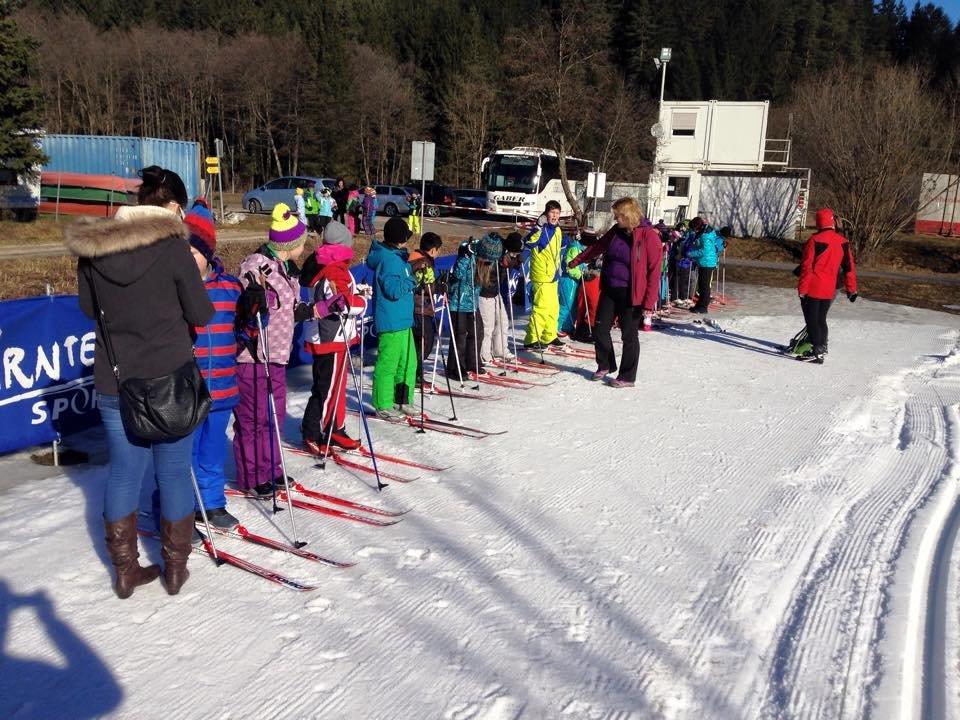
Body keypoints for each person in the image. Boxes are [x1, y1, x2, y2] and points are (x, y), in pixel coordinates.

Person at [65, 165, 214, 598]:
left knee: (124, 474)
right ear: (173, 207)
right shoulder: (173, 249)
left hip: (115, 380)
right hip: (171, 381)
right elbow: (201, 313)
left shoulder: (94, 249)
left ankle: (125, 571)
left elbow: (89, 309)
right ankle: (175, 569)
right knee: (173, 474)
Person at [234, 203, 312, 496]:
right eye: (302, 242)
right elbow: (245, 303)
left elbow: (292, 309)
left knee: (274, 416)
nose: (304, 247)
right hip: (254, 355)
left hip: (277, 355)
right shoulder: (255, 266)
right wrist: (255, 300)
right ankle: (253, 476)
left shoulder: (286, 270)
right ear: (289, 244)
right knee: (253, 418)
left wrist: (319, 309)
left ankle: (271, 468)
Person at [184, 199, 243, 531]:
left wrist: (254, 311)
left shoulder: (230, 288)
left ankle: (212, 503)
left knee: (212, 448)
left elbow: (246, 331)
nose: (186, 258)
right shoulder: (174, 289)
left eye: (193, 252)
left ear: (208, 252)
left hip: (222, 385)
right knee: (184, 453)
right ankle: (179, 508)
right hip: (188, 391)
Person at [569, 196, 661, 388]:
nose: (615, 219)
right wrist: (578, 260)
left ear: (628, 215)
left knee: (629, 336)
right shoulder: (616, 231)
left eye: (618, 216)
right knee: (599, 328)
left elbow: (654, 271)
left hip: (631, 294)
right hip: (610, 288)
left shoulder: (648, 236)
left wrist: (648, 302)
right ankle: (605, 364)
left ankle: (627, 376)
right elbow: (598, 246)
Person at [299, 220, 368, 454]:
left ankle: (335, 428)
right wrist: (362, 301)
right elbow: (342, 303)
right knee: (326, 389)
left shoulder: (328, 263)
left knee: (335, 388)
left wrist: (358, 291)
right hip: (332, 337)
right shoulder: (334, 268)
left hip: (332, 336)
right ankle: (313, 433)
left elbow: (340, 294)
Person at [366, 216, 418, 421]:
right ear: (399, 239)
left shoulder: (398, 257)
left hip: (403, 320)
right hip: (391, 321)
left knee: (408, 363)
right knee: (388, 364)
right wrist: (412, 280)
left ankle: (402, 399)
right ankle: (383, 404)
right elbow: (393, 290)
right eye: (405, 237)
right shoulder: (388, 260)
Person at [796, 208, 858, 364]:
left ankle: (816, 352)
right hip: (829, 289)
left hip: (813, 287)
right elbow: (849, 268)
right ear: (832, 222)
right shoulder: (843, 242)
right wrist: (852, 289)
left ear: (818, 222)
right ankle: (822, 347)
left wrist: (802, 290)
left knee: (812, 321)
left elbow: (807, 267)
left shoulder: (814, 240)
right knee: (821, 319)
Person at [523, 200, 565, 350]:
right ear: (546, 213)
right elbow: (529, 242)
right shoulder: (541, 229)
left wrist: (575, 238)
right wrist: (538, 227)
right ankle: (531, 339)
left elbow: (561, 246)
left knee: (553, 308)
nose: (555, 216)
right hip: (542, 275)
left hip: (553, 275)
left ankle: (549, 336)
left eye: (557, 213)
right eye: (552, 212)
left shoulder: (557, 229)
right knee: (541, 308)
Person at [446, 237, 486, 379]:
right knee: (459, 337)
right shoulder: (464, 257)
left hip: (472, 303)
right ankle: (455, 368)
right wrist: (465, 256)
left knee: (477, 332)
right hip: (459, 303)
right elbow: (457, 273)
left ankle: (472, 362)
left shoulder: (479, 257)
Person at [408, 232, 443, 384]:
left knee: (420, 342)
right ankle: (414, 374)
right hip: (420, 308)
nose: (439, 253)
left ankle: (415, 374)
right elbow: (425, 286)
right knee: (425, 342)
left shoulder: (416, 258)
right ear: (433, 249)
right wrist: (439, 286)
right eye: (438, 249)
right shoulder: (423, 262)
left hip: (418, 307)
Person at [477, 234, 512, 364]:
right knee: (488, 327)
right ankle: (484, 354)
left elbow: (500, 278)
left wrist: (506, 265)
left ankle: (500, 349)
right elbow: (487, 280)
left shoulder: (501, 255)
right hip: (485, 296)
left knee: (503, 321)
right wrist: (502, 267)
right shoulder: (485, 260)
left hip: (496, 294)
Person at [686, 217, 725, 314]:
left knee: (705, 286)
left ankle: (703, 307)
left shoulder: (705, 235)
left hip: (707, 262)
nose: (694, 231)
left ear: (698, 227)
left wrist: (690, 254)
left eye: (694, 229)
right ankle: (699, 305)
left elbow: (704, 251)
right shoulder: (704, 233)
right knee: (701, 285)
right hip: (704, 261)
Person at [557, 234, 585, 337]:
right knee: (566, 304)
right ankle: (557, 326)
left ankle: (568, 326)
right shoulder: (574, 248)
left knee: (573, 306)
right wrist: (581, 276)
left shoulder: (580, 249)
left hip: (575, 281)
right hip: (569, 280)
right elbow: (570, 268)